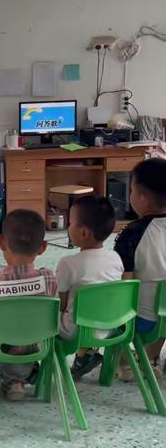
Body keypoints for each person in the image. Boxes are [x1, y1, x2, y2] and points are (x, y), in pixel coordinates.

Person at [0, 209, 57, 403]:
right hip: (34, 343)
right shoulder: (48, 278)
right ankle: (16, 381)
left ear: (1, 242)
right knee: (29, 328)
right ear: (42, 247)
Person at [57, 195, 123, 379]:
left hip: (76, 330)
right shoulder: (115, 258)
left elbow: (60, 305)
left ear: (84, 232)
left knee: (45, 312)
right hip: (110, 326)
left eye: (70, 223)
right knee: (90, 306)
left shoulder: (68, 263)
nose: (68, 227)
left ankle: (30, 365)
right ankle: (84, 355)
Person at [114, 158, 166, 381]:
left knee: (116, 303)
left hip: (145, 320)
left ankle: (124, 363)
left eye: (132, 189)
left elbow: (125, 282)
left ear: (142, 199)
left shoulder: (132, 233)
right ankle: (151, 357)